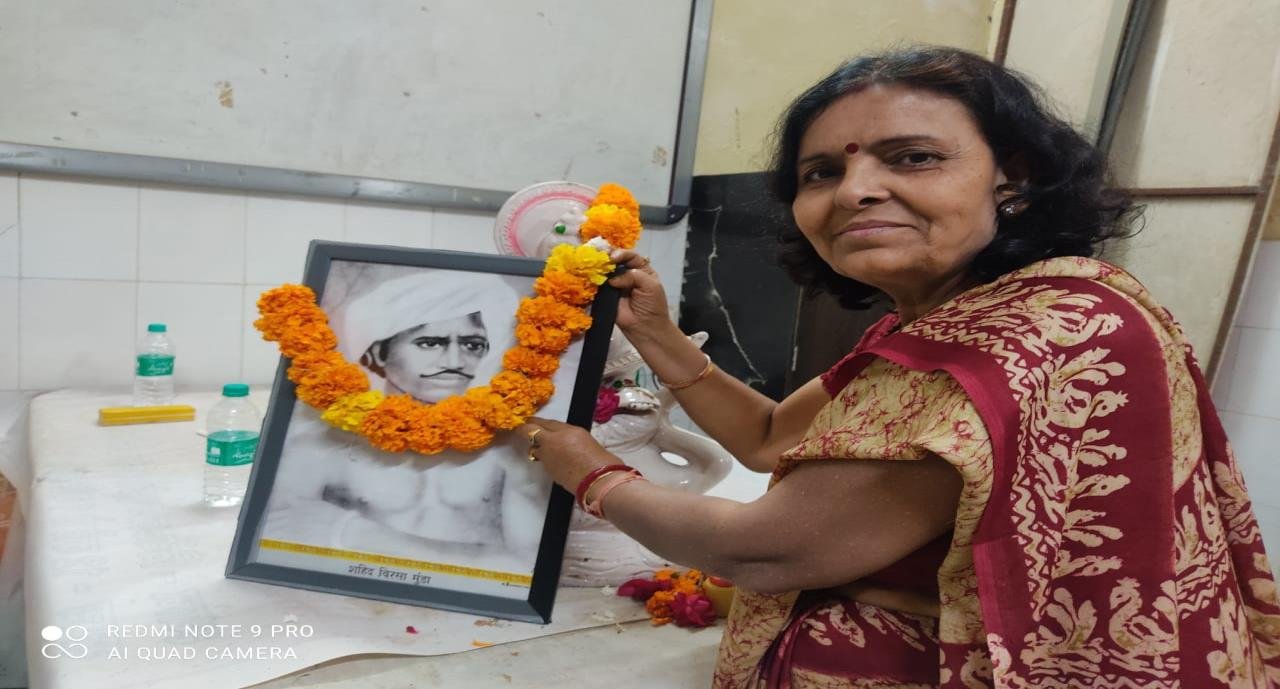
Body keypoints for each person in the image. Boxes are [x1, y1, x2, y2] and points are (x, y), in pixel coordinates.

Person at [518, 47, 1280, 687]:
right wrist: (657, 334)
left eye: (913, 157)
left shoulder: (1037, 334)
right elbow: (770, 436)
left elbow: (766, 545)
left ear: (1011, 178)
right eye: (820, 172)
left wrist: (589, 470)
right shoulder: (941, 322)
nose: (855, 190)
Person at [264, 270, 550, 573]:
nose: (454, 362)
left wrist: (356, 534)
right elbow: (274, 541)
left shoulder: (509, 449)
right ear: (378, 354)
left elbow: (527, 567)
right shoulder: (320, 444)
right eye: (429, 343)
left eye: (472, 345)